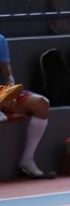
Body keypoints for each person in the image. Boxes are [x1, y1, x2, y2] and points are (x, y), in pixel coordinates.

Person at [0, 33, 56, 179]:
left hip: (0, 94)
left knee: (41, 104)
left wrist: (10, 92)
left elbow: (7, 75)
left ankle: (27, 159)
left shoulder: (0, 40)